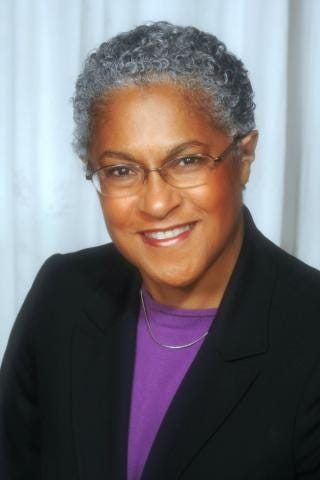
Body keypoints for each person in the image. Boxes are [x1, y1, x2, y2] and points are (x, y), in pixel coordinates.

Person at [1, 21, 320, 480]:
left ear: (244, 157)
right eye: (121, 170)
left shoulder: (313, 335)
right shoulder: (62, 295)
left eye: (187, 160)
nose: (155, 202)